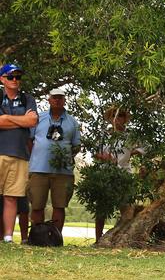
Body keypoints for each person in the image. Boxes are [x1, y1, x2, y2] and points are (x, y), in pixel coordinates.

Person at [27, 88, 81, 232]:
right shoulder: (39, 118)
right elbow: (29, 140)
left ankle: (56, 238)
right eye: (54, 97)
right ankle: (38, 236)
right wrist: (37, 156)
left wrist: (64, 157)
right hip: (39, 169)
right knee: (37, 205)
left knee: (60, 205)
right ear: (49, 100)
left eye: (60, 98)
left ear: (64, 101)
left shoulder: (72, 122)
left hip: (63, 171)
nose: (57, 100)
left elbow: (76, 146)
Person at [93, 107, 144, 242]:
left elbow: (144, 148)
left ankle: (124, 239)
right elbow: (95, 152)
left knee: (126, 208)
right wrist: (105, 157)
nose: (117, 119)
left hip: (124, 174)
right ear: (110, 119)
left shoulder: (130, 136)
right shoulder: (104, 135)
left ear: (125, 119)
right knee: (101, 209)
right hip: (105, 174)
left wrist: (128, 154)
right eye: (113, 116)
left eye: (120, 115)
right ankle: (98, 240)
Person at [0, 63, 38, 243]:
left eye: (18, 77)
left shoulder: (27, 99)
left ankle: (8, 237)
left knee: (11, 197)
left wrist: (7, 119)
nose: (15, 80)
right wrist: (21, 120)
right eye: (10, 77)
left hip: (20, 154)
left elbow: (32, 121)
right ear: (2, 79)